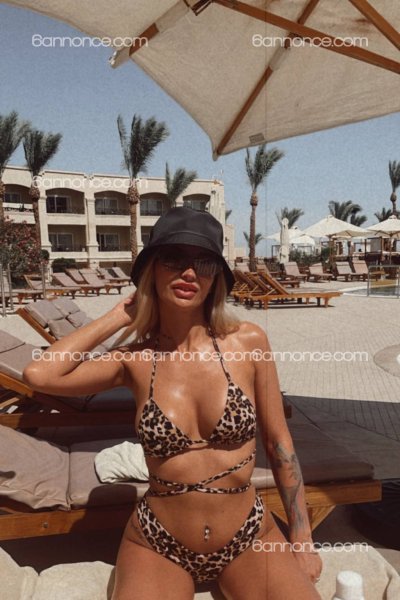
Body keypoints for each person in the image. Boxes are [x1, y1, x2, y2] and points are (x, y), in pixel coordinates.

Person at [23, 207, 322, 599]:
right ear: (152, 270)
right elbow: (40, 374)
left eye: (204, 262)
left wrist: (302, 537)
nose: (189, 272)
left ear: (216, 277)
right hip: (159, 542)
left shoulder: (249, 342)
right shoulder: (134, 360)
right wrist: (118, 316)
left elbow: (279, 443)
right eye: (173, 258)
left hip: (248, 534)